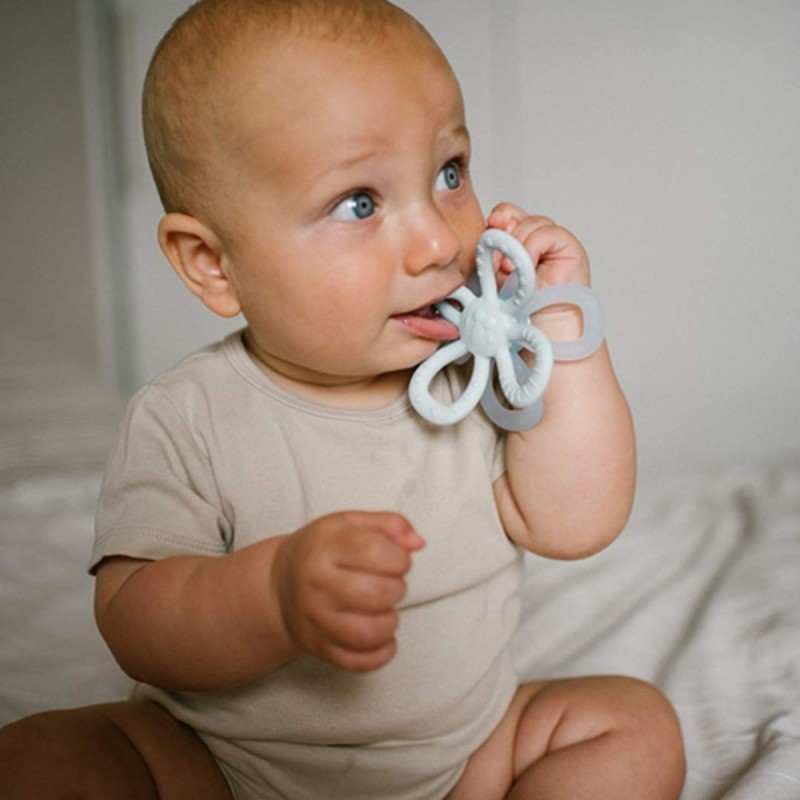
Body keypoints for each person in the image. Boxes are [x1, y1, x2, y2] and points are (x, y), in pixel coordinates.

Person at [0, 1, 685, 798]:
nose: (438, 240)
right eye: (360, 202)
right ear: (213, 264)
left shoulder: (472, 372)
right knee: (39, 758)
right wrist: (273, 596)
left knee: (633, 726)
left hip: (464, 760)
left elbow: (578, 520)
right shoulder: (189, 414)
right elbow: (134, 620)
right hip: (218, 765)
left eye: (449, 173)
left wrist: (564, 331)